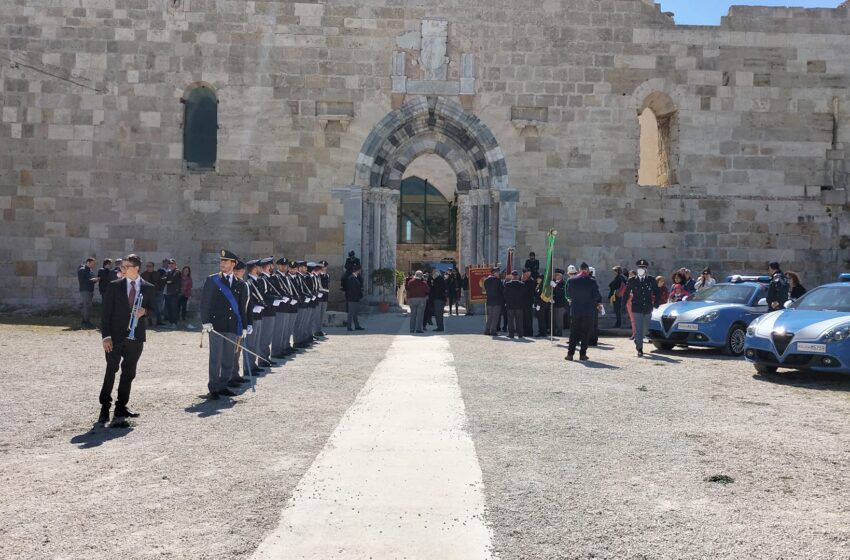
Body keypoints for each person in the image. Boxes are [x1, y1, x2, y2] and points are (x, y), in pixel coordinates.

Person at [98, 254, 154, 425]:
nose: (121, 269)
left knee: (129, 373)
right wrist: (106, 336)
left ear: (136, 268)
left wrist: (145, 311)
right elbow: (105, 313)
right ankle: (104, 408)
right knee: (111, 371)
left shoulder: (148, 287)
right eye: (121, 267)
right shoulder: (114, 286)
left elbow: (155, 309)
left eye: (125, 266)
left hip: (136, 337)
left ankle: (121, 406)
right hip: (114, 336)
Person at [200, 249, 248, 400]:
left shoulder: (240, 284)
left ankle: (223, 385)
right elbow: (205, 303)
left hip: (232, 326)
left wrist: (245, 326)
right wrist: (205, 321)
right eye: (221, 261)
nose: (223, 264)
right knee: (216, 357)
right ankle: (213, 387)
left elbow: (242, 308)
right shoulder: (213, 280)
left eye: (226, 261)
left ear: (233, 264)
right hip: (216, 325)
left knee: (229, 357)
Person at [622, 259, 661, 357]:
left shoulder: (651, 280)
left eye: (643, 268)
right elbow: (626, 293)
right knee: (639, 329)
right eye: (640, 267)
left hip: (648, 307)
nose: (641, 269)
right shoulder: (632, 280)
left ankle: (637, 339)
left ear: (646, 269)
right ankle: (640, 349)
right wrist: (623, 305)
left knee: (645, 329)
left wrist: (656, 303)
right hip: (637, 307)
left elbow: (657, 292)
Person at [565, 262, 602, 361]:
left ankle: (570, 354)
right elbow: (597, 296)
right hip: (588, 311)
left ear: (579, 269)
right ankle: (582, 354)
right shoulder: (592, 281)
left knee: (573, 332)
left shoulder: (571, 280)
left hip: (576, 310)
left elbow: (569, 294)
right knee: (585, 333)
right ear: (587, 270)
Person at [228, 260, 252, 388]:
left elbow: (247, 306)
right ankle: (230, 376)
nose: (240, 273)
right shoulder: (234, 285)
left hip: (242, 322)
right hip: (234, 323)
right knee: (232, 350)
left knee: (238, 350)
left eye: (241, 271)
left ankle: (235, 374)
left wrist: (248, 323)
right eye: (237, 271)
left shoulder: (244, 284)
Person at [503, 270, 526, 338]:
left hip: (510, 305)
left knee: (510, 320)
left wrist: (506, 302)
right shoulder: (522, 284)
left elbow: (505, 294)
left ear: (512, 276)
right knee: (519, 320)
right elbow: (524, 295)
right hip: (519, 305)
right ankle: (520, 334)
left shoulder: (507, 284)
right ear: (517, 276)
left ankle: (511, 334)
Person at [77, 257, 98, 328]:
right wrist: (92, 280)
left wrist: (95, 280)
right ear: (88, 262)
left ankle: (86, 321)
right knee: (86, 306)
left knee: (88, 306)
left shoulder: (90, 270)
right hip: (85, 290)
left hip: (90, 290)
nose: (93, 265)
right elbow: (82, 281)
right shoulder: (82, 270)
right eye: (93, 263)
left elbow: (91, 279)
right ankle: (86, 322)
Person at [484, 267, 504, 336]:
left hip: (489, 301)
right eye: (498, 272)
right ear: (494, 273)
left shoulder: (486, 280)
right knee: (495, 317)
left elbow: (486, 289)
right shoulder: (497, 280)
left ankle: (487, 330)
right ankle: (493, 331)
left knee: (490, 317)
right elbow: (502, 290)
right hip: (497, 301)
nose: (499, 273)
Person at [345, 265, 365, 331]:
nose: (360, 271)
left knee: (355, 313)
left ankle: (357, 326)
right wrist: (360, 294)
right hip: (352, 298)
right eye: (360, 270)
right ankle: (349, 326)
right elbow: (353, 289)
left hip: (355, 298)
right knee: (351, 313)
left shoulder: (355, 277)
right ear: (358, 270)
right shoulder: (352, 278)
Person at [163, 258, 181, 328]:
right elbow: (164, 279)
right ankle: (171, 322)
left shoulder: (177, 271)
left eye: (172, 263)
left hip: (174, 293)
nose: (171, 264)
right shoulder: (168, 271)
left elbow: (172, 279)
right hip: (167, 292)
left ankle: (174, 323)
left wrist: (168, 280)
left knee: (174, 308)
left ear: (175, 264)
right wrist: (168, 280)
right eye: (170, 263)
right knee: (168, 308)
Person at [551, 268, 567, 337]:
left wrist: (555, 286)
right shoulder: (553, 281)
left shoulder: (564, 283)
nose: (556, 276)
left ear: (561, 276)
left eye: (558, 275)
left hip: (560, 303)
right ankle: (553, 332)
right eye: (555, 275)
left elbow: (562, 292)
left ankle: (559, 332)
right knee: (553, 319)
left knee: (559, 319)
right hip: (553, 302)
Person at [521, 269, 535, 336]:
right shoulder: (522, 280)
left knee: (528, 318)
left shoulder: (531, 281)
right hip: (522, 302)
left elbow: (529, 291)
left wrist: (524, 282)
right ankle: (524, 331)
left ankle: (529, 332)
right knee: (523, 318)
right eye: (525, 274)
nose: (525, 275)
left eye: (527, 273)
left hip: (528, 302)